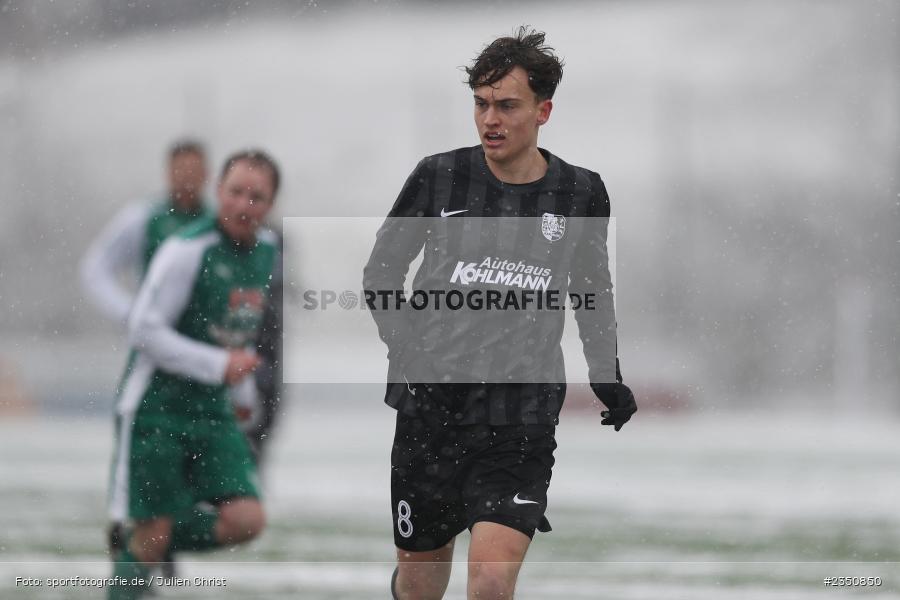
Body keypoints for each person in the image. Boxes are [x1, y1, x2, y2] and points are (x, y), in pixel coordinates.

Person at [363, 27, 637, 599]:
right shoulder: (438, 177)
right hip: (431, 412)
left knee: (489, 580)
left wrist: (606, 375)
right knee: (419, 587)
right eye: (481, 104)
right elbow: (381, 274)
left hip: (520, 417)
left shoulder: (581, 193)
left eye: (507, 105)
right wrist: (409, 353)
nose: (491, 119)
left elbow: (592, 289)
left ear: (544, 110)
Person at [105, 150, 281, 600]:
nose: (244, 205)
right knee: (152, 543)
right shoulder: (185, 249)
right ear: (218, 193)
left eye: (257, 197)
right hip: (155, 411)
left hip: (212, 410)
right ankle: (145, 536)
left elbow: (236, 333)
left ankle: (140, 530)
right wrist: (217, 366)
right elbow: (144, 330)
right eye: (236, 192)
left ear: (271, 204)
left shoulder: (267, 251)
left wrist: (242, 391)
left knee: (247, 519)